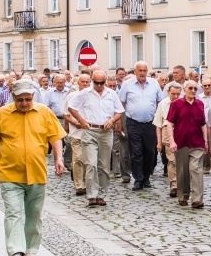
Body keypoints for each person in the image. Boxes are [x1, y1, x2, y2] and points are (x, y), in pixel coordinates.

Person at [0, 79, 66, 256]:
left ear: (33, 96)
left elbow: (55, 137)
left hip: (37, 172)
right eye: (20, 100)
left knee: (34, 213)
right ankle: (15, 251)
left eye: (28, 99)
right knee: (13, 212)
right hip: (10, 173)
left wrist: (59, 158)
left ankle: (31, 249)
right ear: (13, 97)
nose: (25, 103)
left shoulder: (44, 112)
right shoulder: (2, 114)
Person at [68, 70, 124, 207]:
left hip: (105, 132)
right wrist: (81, 120)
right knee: (91, 163)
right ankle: (92, 195)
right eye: (96, 83)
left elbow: (120, 111)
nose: (99, 86)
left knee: (104, 165)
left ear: (105, 81)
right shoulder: (85, 94)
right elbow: (71, 107)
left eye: (102, 83)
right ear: (93, 81)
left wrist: (112, 120)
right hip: (89, 131)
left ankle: (101, 194)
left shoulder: (111, 94)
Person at [118, 62, 163, 190]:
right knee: (136, 152)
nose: (142, 73)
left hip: (150, 122)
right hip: (133, 122)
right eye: (140, 70)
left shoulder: (154, 83)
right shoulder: (127, 84)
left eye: (144, 70)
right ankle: (138, 179)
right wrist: (119, 122)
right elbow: (120, 103)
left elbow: (160, 101)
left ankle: (146, 177)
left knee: (149, 151)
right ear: (135, 71)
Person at [166, 80, 208, 208]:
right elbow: (169, 123)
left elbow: (203, 123)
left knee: (195, 169)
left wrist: (206, 141)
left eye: (196, 89)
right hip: (181, 142)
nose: (193, 91)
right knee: (182, 170)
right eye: (190, 88)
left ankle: (197, 199)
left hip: (197, 142)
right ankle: (183, 196)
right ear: (184, 89)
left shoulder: (200, 104)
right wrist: (172, 141)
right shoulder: (176, 104)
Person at [63, 73, 91, 195]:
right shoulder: (71, 96)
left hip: (91, 133)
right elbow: (65, 114)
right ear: (78, 83)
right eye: (83, 82)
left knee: (88, 159)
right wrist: (75, 121)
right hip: (76, 132)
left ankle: (87, 181)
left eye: (87, 82)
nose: (85, 84)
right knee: (78, 157)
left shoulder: (93, 96)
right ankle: (79, 184)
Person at [154, 82, 181, 197]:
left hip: (181, 130)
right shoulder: (163, 104)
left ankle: (183, 183)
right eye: (173, 94)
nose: (175, 97)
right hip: (167, 131)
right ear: (168, 92)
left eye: (177, 94)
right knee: (172, 160)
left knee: (182, 160)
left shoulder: (183, 103)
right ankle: (174, 185)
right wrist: (159, 142)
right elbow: (158, 124)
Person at [47, 74, 71, 170]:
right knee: (57, 142)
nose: (60, 84)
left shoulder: (68, 92)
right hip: (55, 119)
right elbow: (47, 107)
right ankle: (58, 163)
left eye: (62, 82)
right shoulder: (50, 93)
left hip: (67, 120)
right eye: (58, 82)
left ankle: (67, 161)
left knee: (69, 142)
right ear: (54, 82)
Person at [198, 77, 211, 174]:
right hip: (203, 123)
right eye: (205, 85)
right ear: (202, 87)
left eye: (209, 85)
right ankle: (206, 166)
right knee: (205, 143)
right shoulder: (199, 97)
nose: (207, 87)